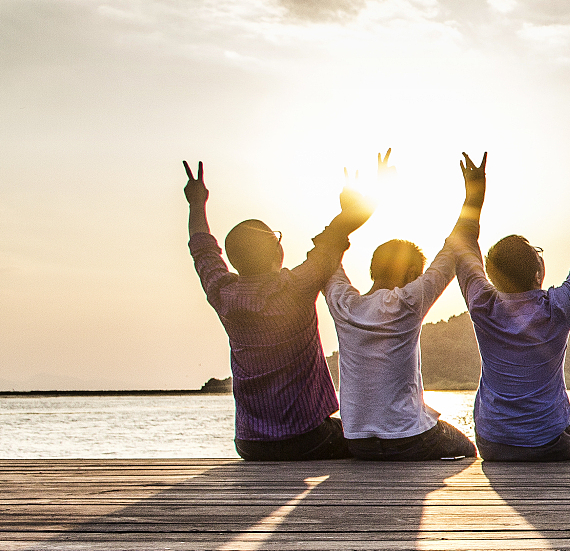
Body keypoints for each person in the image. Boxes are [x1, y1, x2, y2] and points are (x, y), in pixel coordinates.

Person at [183, 154, 385, 461]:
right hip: (308, 438)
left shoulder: (222, 292)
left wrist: (196, 202)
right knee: (375, 439)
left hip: (250, 444)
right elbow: (336, 236)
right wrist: (365, 197)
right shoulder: (296, 287)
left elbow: (201, 247)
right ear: (274, 250)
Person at [452, 153, 570, 462]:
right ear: (537, 273)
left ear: (492, 275)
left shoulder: (482, 304)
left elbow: (463, 246)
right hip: (549, 441)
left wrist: (473, 197)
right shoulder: (557, 308)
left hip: (492, 443)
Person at [322, 154, 481, 462]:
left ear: (371, 269)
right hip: (409, 439)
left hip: (358, 442)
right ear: (411, 276)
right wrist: (474, 195)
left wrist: (348, 215)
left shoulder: (342, 303)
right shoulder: (409, 302)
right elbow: (455, 246)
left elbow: (327, 255)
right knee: (467, 450)